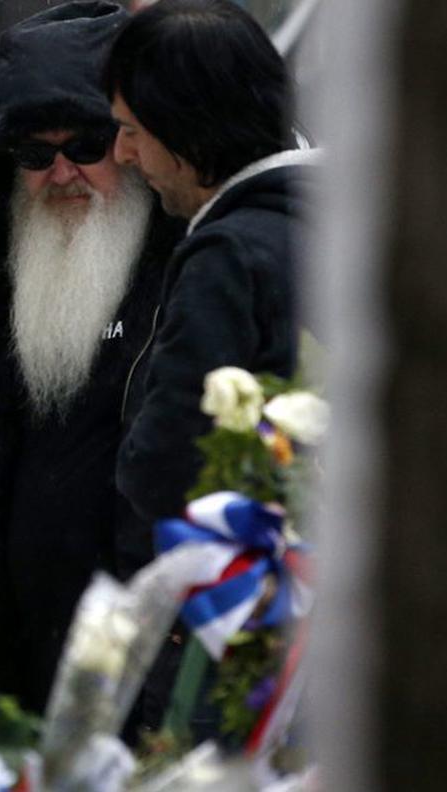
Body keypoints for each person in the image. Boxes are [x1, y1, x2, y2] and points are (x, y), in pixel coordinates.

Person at [0, 0, 185, 723]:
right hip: (19, 673)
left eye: (86, 145)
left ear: (127, 145)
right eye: (35, 155)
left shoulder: (187, 275)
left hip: (150, 676)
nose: (62, 171)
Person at [105, 0, 314, 524]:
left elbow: (165, 462)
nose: (122, 155)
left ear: (187, 129)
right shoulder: (340, 227)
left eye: (132, 130)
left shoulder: (227, 259)